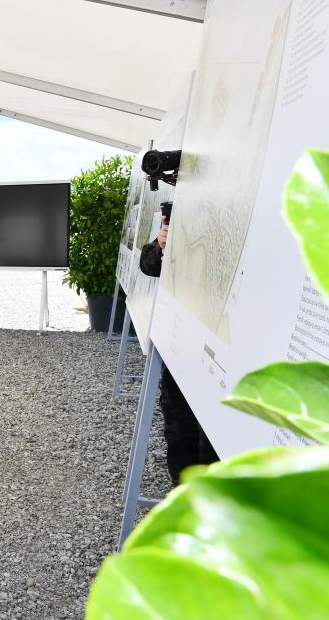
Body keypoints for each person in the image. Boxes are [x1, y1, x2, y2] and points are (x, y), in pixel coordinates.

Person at [139, 208, 218, 485]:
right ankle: (182, 490)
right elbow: (148, 265)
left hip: (221, 346)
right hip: (183, 343)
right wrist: (161, 246)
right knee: (179, 426)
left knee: (213, 436)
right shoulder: (186, 209)